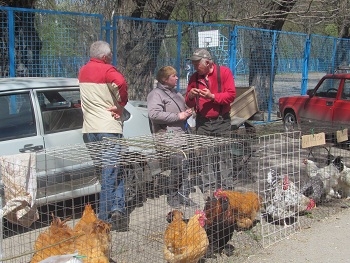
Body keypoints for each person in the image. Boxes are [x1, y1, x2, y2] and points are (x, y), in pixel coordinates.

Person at [78, 40, 128, 230]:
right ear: (105, 57)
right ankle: (104, 219)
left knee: (112, 171)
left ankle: (118, 209)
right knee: (109, 175)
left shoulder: (82, 71)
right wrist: (120, 105)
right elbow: (122, 82)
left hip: (90, 130)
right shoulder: (107, 70)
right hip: (109, 129)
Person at [185, 48, 236, 196]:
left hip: (221, 120)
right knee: (206, 155)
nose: (195, 67)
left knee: (224, 154)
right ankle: (209, 186)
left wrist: (212, 96)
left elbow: (231, 95)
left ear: (207, 62)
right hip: (202, 122)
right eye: (193, 64)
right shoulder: (194, 78)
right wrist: (190, 96)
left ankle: (227, 187)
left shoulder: (224, 73)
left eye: (197, 64)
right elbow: (188, 103)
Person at [147, 66, 198, 208]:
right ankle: (172, 196)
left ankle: (182, 195)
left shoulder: (175, 93)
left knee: (184, 166)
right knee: (177, 166)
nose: (176, 78)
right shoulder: (155, 94)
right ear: (164, 79)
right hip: (168, 136)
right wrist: (178, 116)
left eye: (176, 75)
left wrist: (187, 111)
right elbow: (154, 114)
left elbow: (181, 108)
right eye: (173, 76)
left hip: (181, 135)